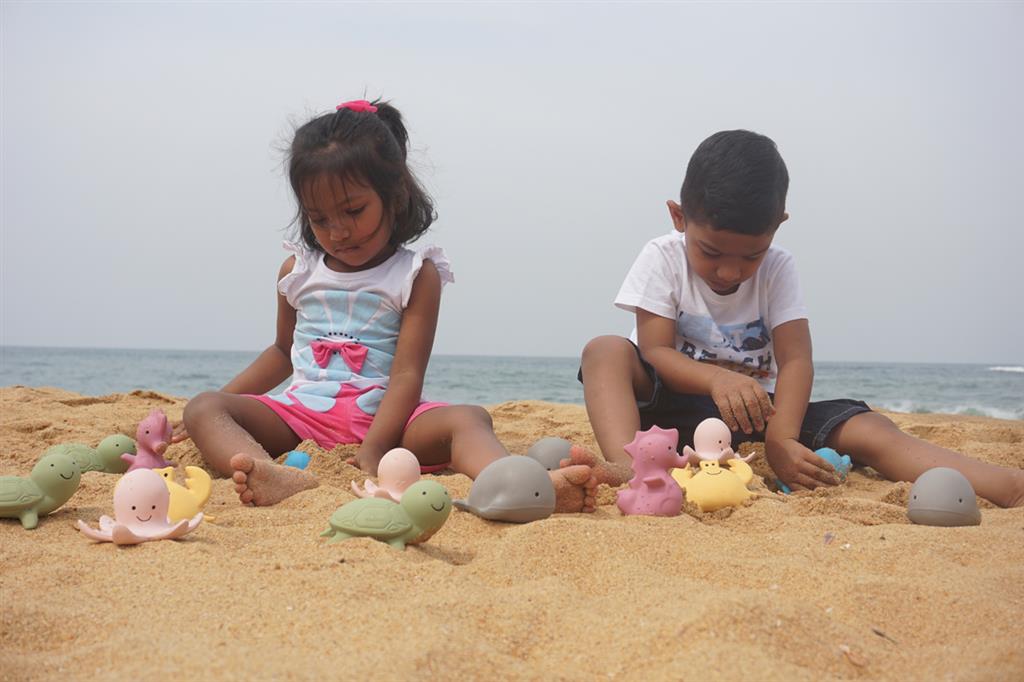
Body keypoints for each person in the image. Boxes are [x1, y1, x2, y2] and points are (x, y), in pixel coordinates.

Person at [177, 98, 596, 510]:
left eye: (353, 210)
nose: (338, 231)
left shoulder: (414, 273)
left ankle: (521, 486)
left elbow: (407, 372)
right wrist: (223, 399)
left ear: (394, 196)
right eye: (319, 218)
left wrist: (376, 446)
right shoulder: (298, 270)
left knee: (469, 418)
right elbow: (282, 352)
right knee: (204, 407)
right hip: (301, 418)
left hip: (393, 423)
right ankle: (274, 475)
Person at [570, 129, 1024, 508]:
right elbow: (654, 351)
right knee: (604, 350)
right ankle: (632, 470)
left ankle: (1007, 485)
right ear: (678, 217)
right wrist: (716, 379)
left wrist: (782, 439)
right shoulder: (662, 257)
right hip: (668, 413)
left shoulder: (779, 268)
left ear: (778, 226)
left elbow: (796, 360)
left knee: (868, 427)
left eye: (751, 256)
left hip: (759, 416)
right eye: (711, 252)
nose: (730, 272)